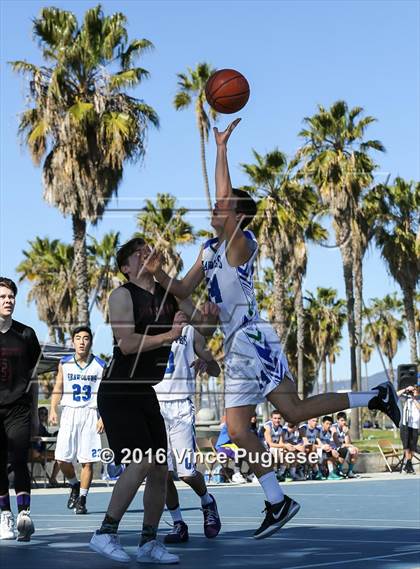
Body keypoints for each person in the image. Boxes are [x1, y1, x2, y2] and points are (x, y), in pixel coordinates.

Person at [144, 119, 401, 538]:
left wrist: (221, 147)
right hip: (249, 339)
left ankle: (278, 501)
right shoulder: (209, 250)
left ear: (237, 216)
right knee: (294, 412)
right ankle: (374, 396)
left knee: (238, 428)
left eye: (221, 206)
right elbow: (184, 290)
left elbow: (226, 198)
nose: (213, 208)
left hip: (248, 338)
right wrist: (158, 276)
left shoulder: (240, 242)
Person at [89, 238, 218, 565]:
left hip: (145, 389)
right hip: (119, 389)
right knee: (144, 459)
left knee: (161, 468)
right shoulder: (122, 295)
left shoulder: (170, 296)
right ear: (127, 267)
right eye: (138, 252)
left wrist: (211, 317)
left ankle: (148, 542)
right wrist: (168, 336)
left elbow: (203, 328)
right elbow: (128, 343)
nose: (147, 254)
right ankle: (105, 532)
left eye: (150, 249)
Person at [153, 324, 222, 544]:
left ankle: (207, 502)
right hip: (154, 406)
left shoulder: (191, 331)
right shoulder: (147, 328)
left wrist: (206, 362)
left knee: (187, 472)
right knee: (161, 472)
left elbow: (216, 370)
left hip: (181, 406)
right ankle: (178, 523)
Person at [0, 277, 41, 541]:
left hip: (19, 409)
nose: (8, 301)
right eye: (2, 297)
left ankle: (24, 513)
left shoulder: (26, 334)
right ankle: (5, 515)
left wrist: (36, 414)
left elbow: (35, 378)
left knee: (18, 458)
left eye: (11, 297)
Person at [49, 326, 106, 514]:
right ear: (72, 342)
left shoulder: (100, 365)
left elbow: (105, 394)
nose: (82, 342)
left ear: (90, 342)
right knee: (61, 459)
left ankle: (82, 499)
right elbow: (58, 386)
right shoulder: (64, 363)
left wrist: (103, 417)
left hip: (90, 413)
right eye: (78, 338)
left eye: (86, 338)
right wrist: (53, 409)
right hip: (69, 413)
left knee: (88, 462)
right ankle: (74, 484)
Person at [31, 406, 60, 486]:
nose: (43, 416)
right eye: (41, 413)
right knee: (61, 457)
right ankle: (53, 478)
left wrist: (56, 433)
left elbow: (48, 436)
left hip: (33, 453)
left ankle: (52, 478)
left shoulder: (40, 426)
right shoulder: (38, 426)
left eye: (45, 414)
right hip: (37, 453)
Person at [397, 384, 420, 474]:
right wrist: (405, 389)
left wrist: (413, 398)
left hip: (415, 425)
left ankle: (408, 464)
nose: (413, 391)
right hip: (405, 424)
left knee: (413, 446)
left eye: (415, 390)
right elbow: (396, 395)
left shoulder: (417, 399)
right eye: (412, 390)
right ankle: (409, 465)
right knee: (406, 445)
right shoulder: (405, 398)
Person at [331, 413, 359, 478]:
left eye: (344, 420)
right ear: (337, 420)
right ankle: (339, 470)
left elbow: (347, 442)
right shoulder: (334, 427)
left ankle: (350, 471)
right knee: (345, 450)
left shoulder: (345, 428)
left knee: (355, 451)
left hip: (342, 446)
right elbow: (337, 443)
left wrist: (347, 433)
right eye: (342, 420)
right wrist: (348, 445)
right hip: (334, 447)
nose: (344, 422)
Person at [316, 415, 342, 480]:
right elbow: (318, 442)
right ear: (322, 423)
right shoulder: (318, 430)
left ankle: (333, 473)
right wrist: (330, 449)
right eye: (327, 423)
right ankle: (319, 472)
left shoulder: (329, 432)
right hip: (316, 448)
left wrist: (334, 433)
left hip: (324, 449)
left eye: (330, 424)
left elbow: (337, 444)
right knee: (329, 451)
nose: (328, 425)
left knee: (338, 452)